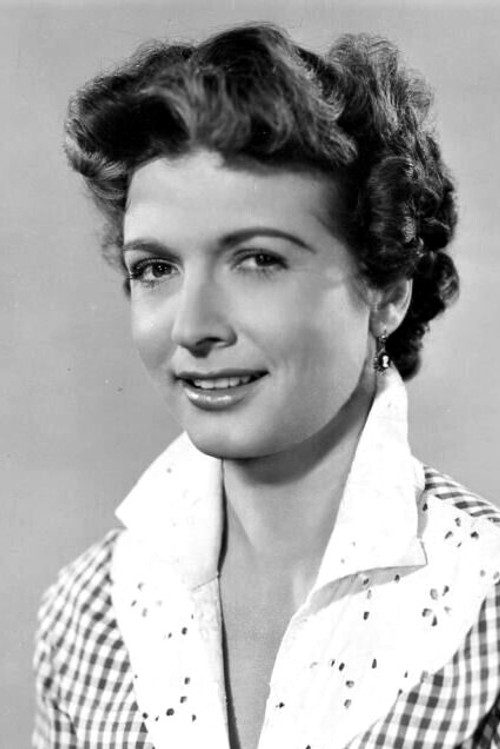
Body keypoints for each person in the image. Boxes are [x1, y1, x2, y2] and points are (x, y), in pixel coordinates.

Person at [33, 23, 500, 749]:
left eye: (256, 260)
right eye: (155, 268)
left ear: (386, 292)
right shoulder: (86, 615)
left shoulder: (485, 608)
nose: (193, 326)